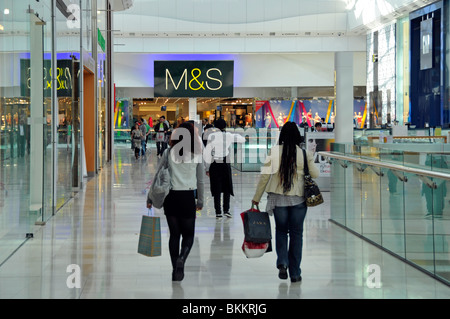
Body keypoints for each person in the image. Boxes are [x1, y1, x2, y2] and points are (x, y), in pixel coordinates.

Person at [251, 121, 319, 283]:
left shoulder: (274, 152)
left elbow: (264, 177)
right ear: (297, 136)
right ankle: (295, 273)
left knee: (281, 231)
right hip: (298, 199)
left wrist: (257, 197)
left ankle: (282, 262)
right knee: (297, 234)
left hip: (278, 199)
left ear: (282, 135)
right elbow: (315, 174)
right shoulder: (304, 153)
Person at [147, 122, 205, 282]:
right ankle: (182, 258)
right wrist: (200, 200)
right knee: (189, 235)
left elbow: (158, 175)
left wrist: (150, 197)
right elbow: (200, 181)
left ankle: (175, 270)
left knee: (174, 235)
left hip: (171, 198)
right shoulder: (197, 154)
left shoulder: (168, 152)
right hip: (187, 198)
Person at [204, 118, 245, 218]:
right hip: (225, 163)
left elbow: (207, 152)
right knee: (227, 186)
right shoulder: (228, 135)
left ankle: (218, 211)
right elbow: (242, 140)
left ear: (215, 126)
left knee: (216, 188)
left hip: (215, 163)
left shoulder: (211, 136)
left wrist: (207, 168)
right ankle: (226, 209)